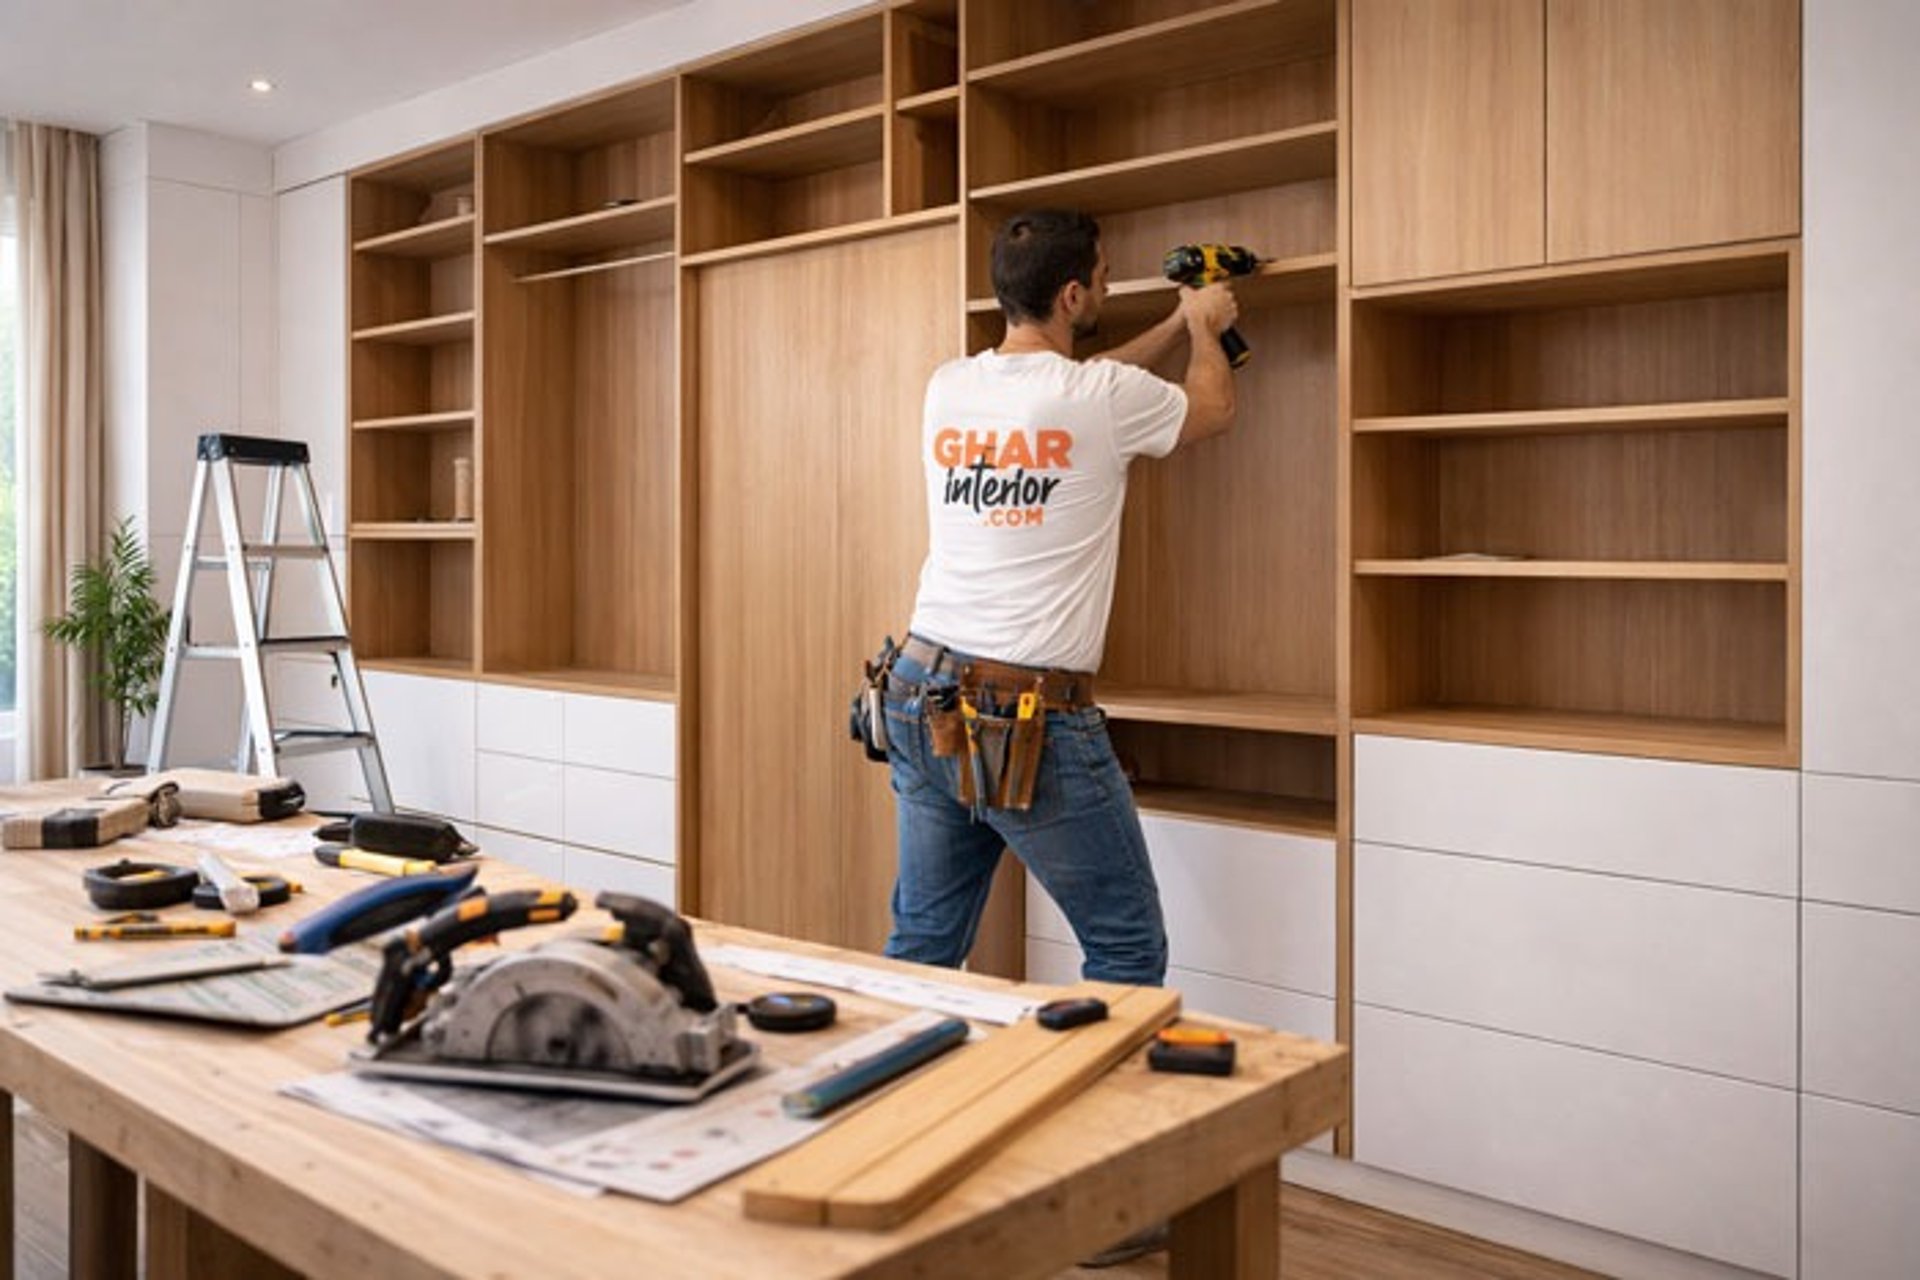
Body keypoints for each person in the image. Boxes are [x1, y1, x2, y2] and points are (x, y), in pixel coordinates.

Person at [874, 208, 1239, 988]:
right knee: (1128, 950)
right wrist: (1207, 329)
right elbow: (1211, 411)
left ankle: (886, 1107)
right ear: (1073, 296)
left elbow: (1084, 387)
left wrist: (1174, 320)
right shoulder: (1097, 399)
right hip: (1021, 716)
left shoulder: (952, 385)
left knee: (924, 951)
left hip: (915, 690)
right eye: (1103, 277)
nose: (1109, 284)